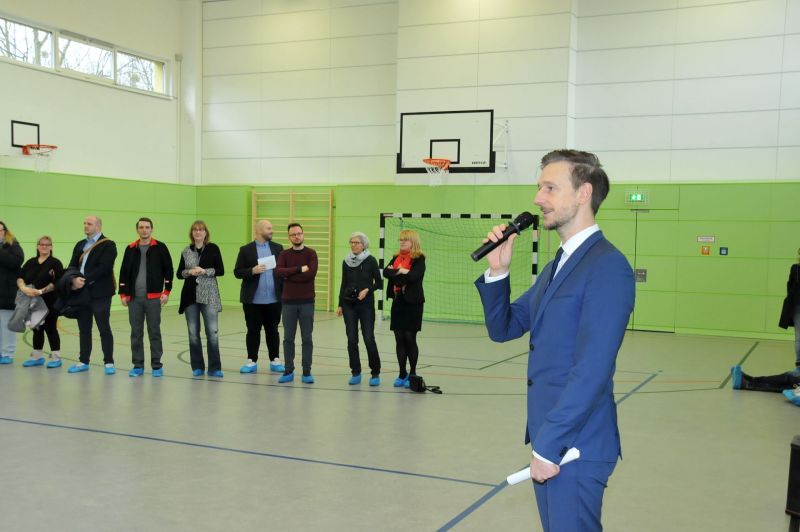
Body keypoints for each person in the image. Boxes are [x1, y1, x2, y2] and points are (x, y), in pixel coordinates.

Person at [475, 150, 635, 532]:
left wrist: (551, 446)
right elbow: (505, 328)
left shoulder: (607, 266)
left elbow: (592, 368)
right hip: (553, 437)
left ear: (584, 194)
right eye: (538, 187)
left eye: (550, 187)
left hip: (574, 445)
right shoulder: (557, 265)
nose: (537, 199)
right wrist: (498, 271)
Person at [118, 218, 173, 378]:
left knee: (154, 331)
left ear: (152, 229)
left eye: (147, 227)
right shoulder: (130, 248)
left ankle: (157, 365)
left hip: (154, 298)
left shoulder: (160, 247)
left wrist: (166, 291)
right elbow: (124, 273)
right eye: (141, 227)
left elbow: (168, 270)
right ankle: (138, 365)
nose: (144, 230)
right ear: (137, 230)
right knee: (136, 333)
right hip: (134, 299)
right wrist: (123, 293)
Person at [67, 216, 118, 375]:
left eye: (89, 223)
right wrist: (72, 279)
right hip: (81, 293)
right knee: (84, 328)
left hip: (101, 294)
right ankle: (83, 361)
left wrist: (84, 279)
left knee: (104, 328)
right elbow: (72, 266)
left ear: (98, 226)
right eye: (84, 223)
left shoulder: (109, 245)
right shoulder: (80, 244)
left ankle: (109, 362)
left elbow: (104, 268)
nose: (85, 226)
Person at [233, 219, 285, 374]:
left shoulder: (278, 248)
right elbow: (237, 272)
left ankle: (275, 360)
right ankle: (251, 360)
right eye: (269, 228)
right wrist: (252, 271)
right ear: (259, 230)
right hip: (253, 301)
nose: (271, 231)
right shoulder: (245, 250)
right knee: (253, 330)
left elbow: (283, 270)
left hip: (274, 300)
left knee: (273, 330)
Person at [177, 220, 225, 378]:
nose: (198, 232)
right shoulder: (186, 250)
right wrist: (189, 272)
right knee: (193, 333)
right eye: (195, 230)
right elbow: (179, 273)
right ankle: (197, 366)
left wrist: (204, 271)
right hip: (190, 297)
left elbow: (221, 270)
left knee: (212, 333)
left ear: (205, 233)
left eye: (201, 230)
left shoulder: (213, 248)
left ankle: (215, 368)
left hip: (209, 296)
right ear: (192, 233)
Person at [336, 232, 382, 386]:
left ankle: (375, 372)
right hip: (349, 305)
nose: (354, 245)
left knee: (368, 338)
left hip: (366, 305)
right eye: (352, 242)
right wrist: (340, 304)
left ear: (364, 245)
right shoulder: (346, 261)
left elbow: (379, 283)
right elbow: (343, 283)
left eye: (356, 242)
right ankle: (355, 372)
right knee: (351, 339)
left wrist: (368, 289)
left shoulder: (371, 260)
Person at [274, 223, 317, 384]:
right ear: (289, 237)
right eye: (293, 234)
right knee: (288, 338)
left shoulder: (311, 253)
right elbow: (278, 272)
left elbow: (310, 274)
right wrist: (299, 269)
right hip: (288, 303)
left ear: (303, 234)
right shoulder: (284, 254)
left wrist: (289, 274)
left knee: (307, 338)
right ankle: (288, 370)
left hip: (307, 302)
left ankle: (306, 371)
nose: (296, 236)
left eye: (299, 233)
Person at [383, 229, 426, 388]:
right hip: (398, 302)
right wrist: (401, 270)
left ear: (413, 242)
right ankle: (402, 373)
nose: (402, 242)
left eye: (405, 240)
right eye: (400, 240)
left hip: (413, 303)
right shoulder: (396, 258)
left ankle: (412, 373)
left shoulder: (419, 259)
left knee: (410, 338)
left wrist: (399, 274)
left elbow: (414, 276)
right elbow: (386, 272)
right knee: (399, 338)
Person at [17, 236, 64, 368]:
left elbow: (57, 282)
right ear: (37, 246)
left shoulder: (55, 263)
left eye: (47, 244)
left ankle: (56, 358)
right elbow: (20, 276)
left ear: (51, 247)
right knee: (37, 329)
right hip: (32, 302)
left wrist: (41, 291)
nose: (44, 246)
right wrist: (23, 287)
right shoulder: (31, 262)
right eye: (42, 244)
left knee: (51, 329)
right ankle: (37, 357)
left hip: (50, 302)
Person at [0, 221, 24, 365]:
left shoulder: (13, 245)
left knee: (7, 325)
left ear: (5, 231)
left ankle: (7, 353)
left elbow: (16, 261)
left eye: (0, 230)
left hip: (7, 293)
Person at [779, 248, 800, 376]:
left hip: (796, 304)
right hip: (797, 305)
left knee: (799, 337)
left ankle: (798, 366)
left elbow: (789, 286)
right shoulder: (795, 269)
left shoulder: (795, 269)